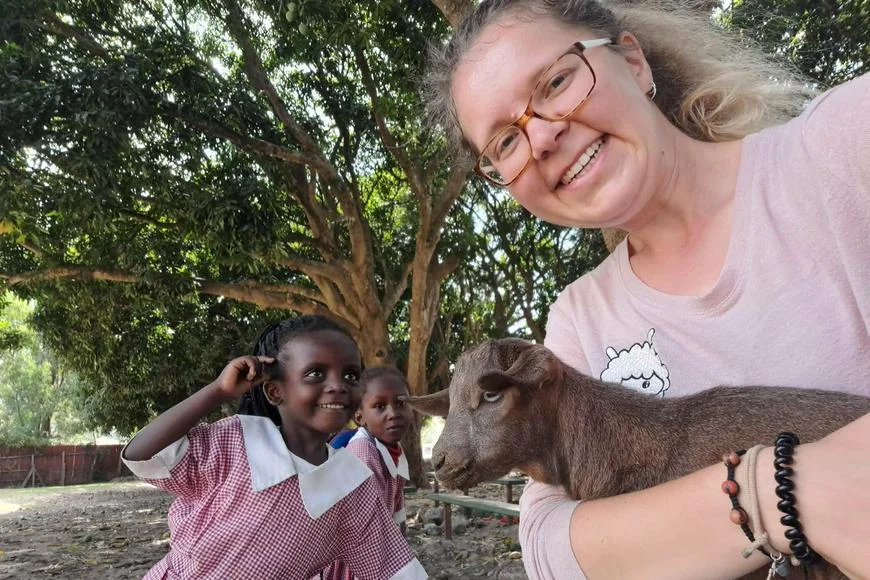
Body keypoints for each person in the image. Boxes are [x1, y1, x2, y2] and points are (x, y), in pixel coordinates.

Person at [424, 0, 870, 578]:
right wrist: (770, 489)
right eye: (505, 144)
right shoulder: (580, 318)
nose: (542, 137)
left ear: (632, 62)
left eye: (557, 82)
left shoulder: (843, 147)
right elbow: (550, 549)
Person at [121, 315, 426, 580]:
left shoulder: (352, 485)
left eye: (350, 375)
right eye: (316, 373)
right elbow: (143, 455)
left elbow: (392, 568)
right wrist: (218, 391)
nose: (338, 385)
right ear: (275, 390)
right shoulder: (237, 441)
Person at [321, 367, 414, 580]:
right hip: (356, 560)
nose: (393, 413)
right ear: (359, 416)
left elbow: (397, 515)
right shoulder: (363, 454)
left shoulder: (394, 450)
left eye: (401, 403)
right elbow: (364, 533)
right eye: (379, 406)